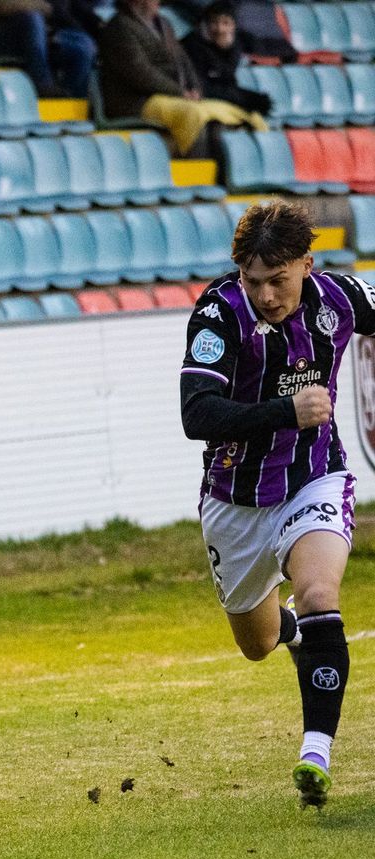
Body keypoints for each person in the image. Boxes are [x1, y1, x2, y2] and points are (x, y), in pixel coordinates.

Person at [180, 200, 375, 809]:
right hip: (235, 501)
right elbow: (197, 415)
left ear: (307, 266)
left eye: (278, 280)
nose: (265, 294)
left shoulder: (340, 299)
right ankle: (291, 632)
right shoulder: (218, 313)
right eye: (253, 280)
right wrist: (283, 413)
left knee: (320, 594)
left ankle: (315, 754)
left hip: (315, 477)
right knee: (258, 643)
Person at [99, 0, 265, 156]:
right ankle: (195, 173)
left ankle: (225, 177)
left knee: (239, 114)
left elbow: (184, 61)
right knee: (192, 114)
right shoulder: (119, 27)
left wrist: (194, 89)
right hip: (135, 100)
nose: (158, 1)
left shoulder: (163, 22)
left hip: (170, 96)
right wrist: (180, 92)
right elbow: (141, 73)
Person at [0, 0, 96, 97]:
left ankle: (74, 100)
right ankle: (42, 83)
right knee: (31, 17)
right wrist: (43, 6)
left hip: (33, 37)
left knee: (82, 45)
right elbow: (4, 6)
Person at [181, 0, 272, 116]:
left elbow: (228, 78)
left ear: (233, 26)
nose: (220, 29)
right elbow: (199, 85)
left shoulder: (235, 43)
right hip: (198, 94)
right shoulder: (192, 44)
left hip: (219, 91)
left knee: (263, 104)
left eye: (225, 23)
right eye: (214, 22)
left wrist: (227, 51)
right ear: (206, 24)